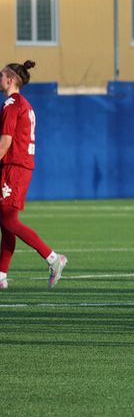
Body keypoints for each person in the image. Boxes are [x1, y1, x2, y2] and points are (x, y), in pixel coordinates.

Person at [0, 60, 67, 290]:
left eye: (1, 75)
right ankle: (1, 276)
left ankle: (53, 258)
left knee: (8, 220)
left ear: (10, 79)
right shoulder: (25, 104)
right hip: (17, 167)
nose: (0, 78)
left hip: (15, 167)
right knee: (5, 221)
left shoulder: (11, 104)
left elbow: (5, 142)